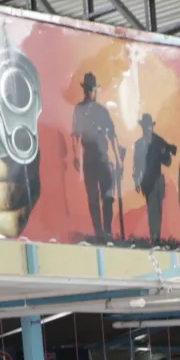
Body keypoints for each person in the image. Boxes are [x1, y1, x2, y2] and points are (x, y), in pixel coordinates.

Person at [74, 71, 122, 242]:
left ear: (95, 90)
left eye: (91, 89)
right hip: (89, 158)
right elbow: (76, 134)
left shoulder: (102, 111)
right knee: (93, 198)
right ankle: (99, 232)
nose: (89, 92)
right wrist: (76, 156)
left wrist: (117, 158)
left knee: (107, 196)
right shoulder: (79, 110)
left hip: (103, 157)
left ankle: (107, 230)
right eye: (87, 89)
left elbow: (112, 135)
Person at [134, 114, 177, 247]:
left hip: (158, 181)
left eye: (149, 126)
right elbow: (137, 164)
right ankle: (155, 238)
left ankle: (156, 237)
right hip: (148, 181)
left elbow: (167, 162)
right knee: (153, 210)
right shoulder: (140, 144)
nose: (148, 129)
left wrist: (166, 151)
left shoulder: (158, 141)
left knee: (158, 211)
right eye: (146, 126)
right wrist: (137, 180)